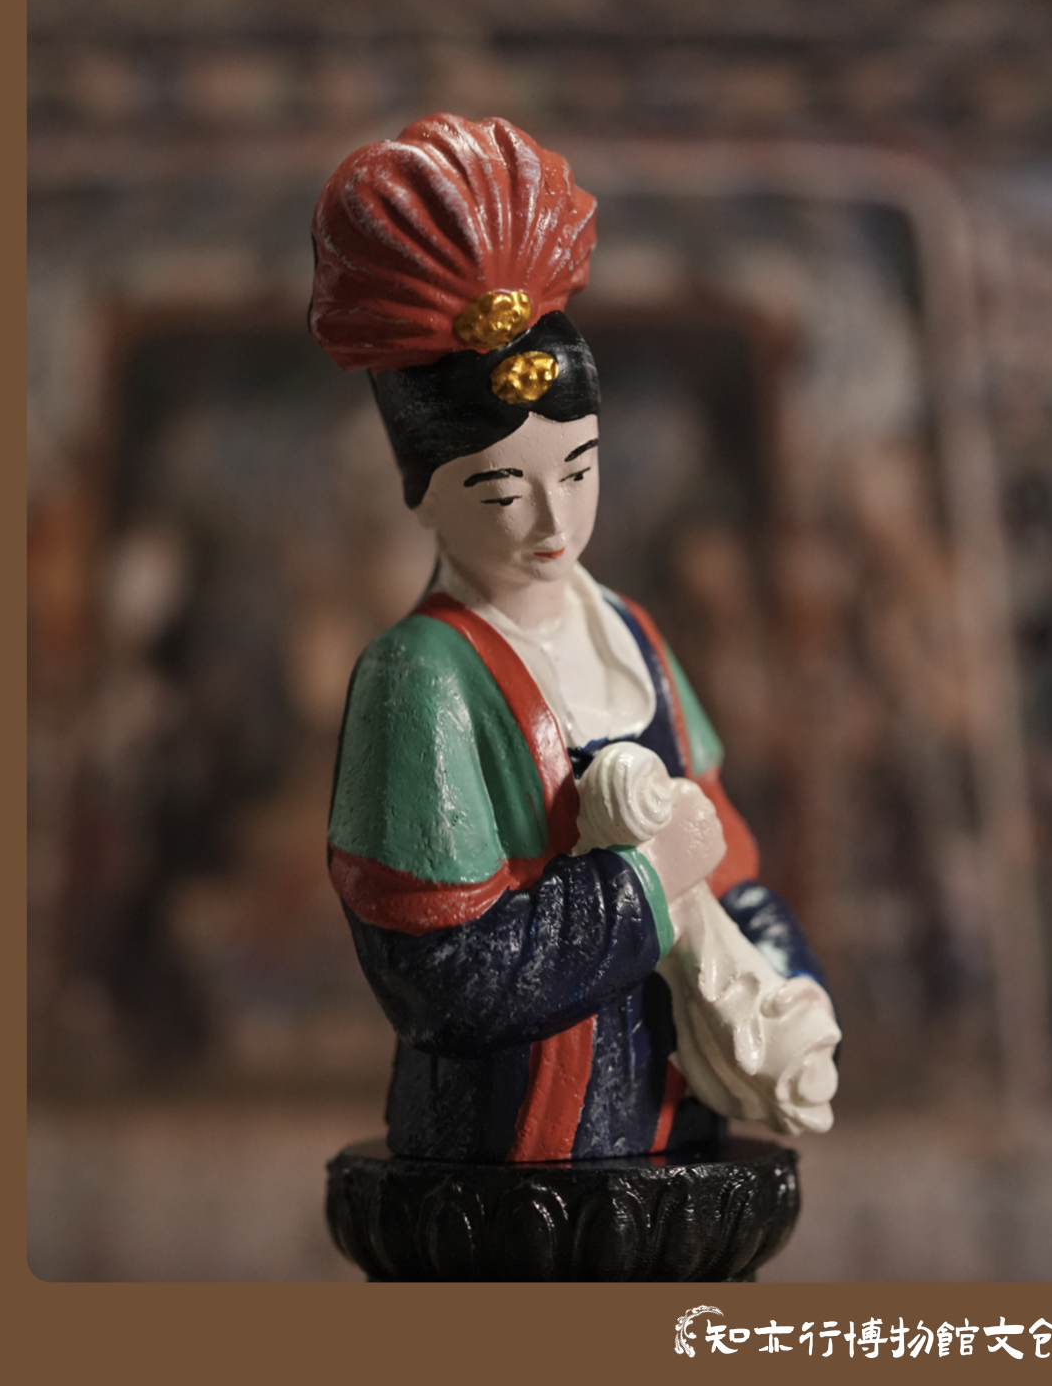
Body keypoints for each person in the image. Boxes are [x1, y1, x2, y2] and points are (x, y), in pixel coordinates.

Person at [310, 113, 838, 1164]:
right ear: (426, 494)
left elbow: (726, 862)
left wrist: (788, 981)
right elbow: (441, 976)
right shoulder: (420, 678)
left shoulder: (629, 634)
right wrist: (640, 887)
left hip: (676, 1122)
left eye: (581, 471)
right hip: (513, 1153)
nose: (555, 521)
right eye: (503, 490)